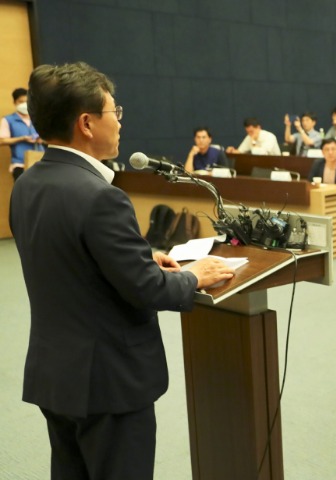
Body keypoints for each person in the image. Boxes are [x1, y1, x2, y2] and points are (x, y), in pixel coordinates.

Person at [10, 61, 235, 479]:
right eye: (115, 112)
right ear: (87, 123)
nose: (119, 122)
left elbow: (64, 258)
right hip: (107, 382)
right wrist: (195, 276)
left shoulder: (27, 184)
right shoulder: (100, 197)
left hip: (55, 373)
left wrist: (137, 256)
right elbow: (148, 290)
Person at [0, 87, 43, 180]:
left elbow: (49, 138)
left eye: (27, 101)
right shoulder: (8, 120)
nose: (24, 104)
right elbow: (2, 140)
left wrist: (41, 139)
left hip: (40, 162)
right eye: (21, 101)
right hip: (20, 164)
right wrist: (22, 138)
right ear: (15, 102)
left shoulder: (37, 119)